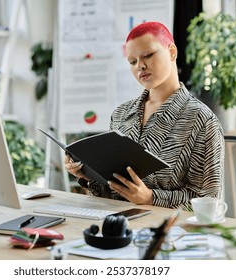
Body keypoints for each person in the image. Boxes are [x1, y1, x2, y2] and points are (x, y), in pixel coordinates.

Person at [64, 21, 224, 210]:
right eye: (132, 62)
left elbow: (209, 201)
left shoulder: (202, 121)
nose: (140, 66)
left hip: (170, 230)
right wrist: (87, 175)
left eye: (148, 55)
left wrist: (150, 198)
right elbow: (111, 191)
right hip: (117, 223)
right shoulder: (121, 115)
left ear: (172, 52)